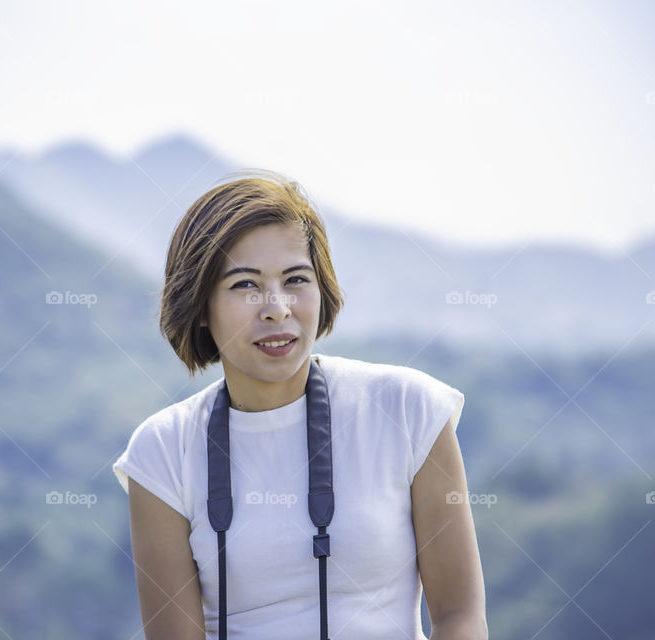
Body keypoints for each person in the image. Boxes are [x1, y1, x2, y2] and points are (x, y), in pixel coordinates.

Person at [113, 169, 487, 640]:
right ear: (201, 307)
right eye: (245, 285)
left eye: (295, 279)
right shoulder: (161, 451)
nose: (276, 308)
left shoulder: (410, 409)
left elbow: (460, 618)